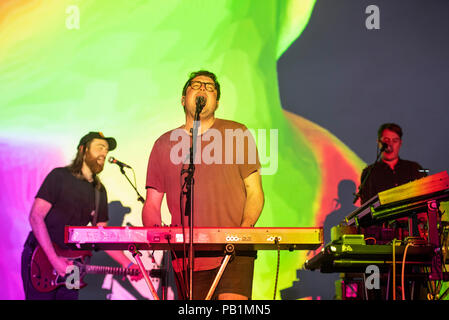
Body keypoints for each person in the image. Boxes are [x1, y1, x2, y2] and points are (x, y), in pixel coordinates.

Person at [142, 70, 264, 300]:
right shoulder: (163, 144)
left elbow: (255, 191)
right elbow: (152, 203)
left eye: (210, 88)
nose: (203, 89)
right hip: (187, 257)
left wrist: (244, 230)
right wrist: (155, 235)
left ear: (216, 102)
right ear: (183, 99)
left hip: (234, 252)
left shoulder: (237, 132)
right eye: (196, 85)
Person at [21, 132, 142, 300]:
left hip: (73, 264)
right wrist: (55, 260)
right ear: (83, 149)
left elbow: (102, 236)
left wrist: (127, 263)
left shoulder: (99, 191)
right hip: (41, 258)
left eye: (106, 149)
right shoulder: (59, 176)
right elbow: (35, 217)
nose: (104, 153)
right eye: (99, 147)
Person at [359, 123, 426, 204]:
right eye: (386, 140)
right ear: (379, 142)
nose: (390, 145)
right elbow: (367, 207)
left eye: (395, 141)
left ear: (400, 143)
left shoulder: (414, 168)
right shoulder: (368, 173)